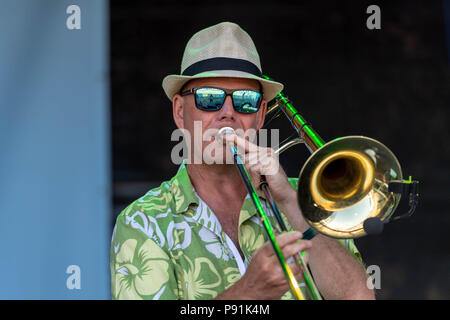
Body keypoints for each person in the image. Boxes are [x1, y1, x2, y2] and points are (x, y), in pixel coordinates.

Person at [110, 21, 374, 300]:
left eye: (245, 100)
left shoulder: (307, 198)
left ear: (259, 115)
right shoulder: (143, 221)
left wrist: (290, 202)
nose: (227, 112)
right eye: (208, 98)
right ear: (179, 111)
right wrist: (248, 293)